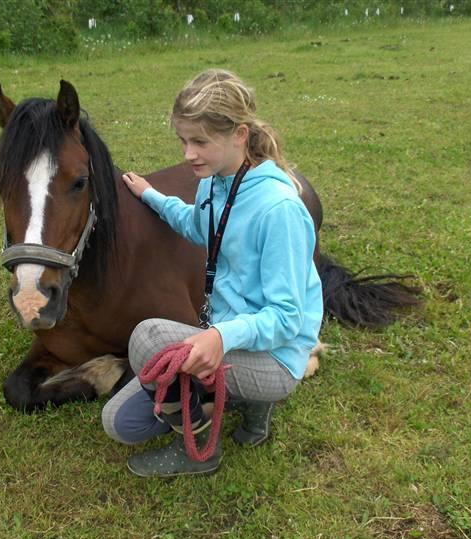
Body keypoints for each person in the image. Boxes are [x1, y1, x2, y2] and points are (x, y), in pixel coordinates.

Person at [101, 69, 324, 477]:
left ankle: (201, 449)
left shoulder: (279, 210)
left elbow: (288, 317)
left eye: (200, 141)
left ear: (240, 134)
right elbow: (197, 226)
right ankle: (239, 400)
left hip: (275, 354)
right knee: (121, 423)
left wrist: (222, 336)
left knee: (149, 339)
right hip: (230, 338)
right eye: (183, 140)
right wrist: (150, 196)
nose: (188, 154)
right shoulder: (215, 182)